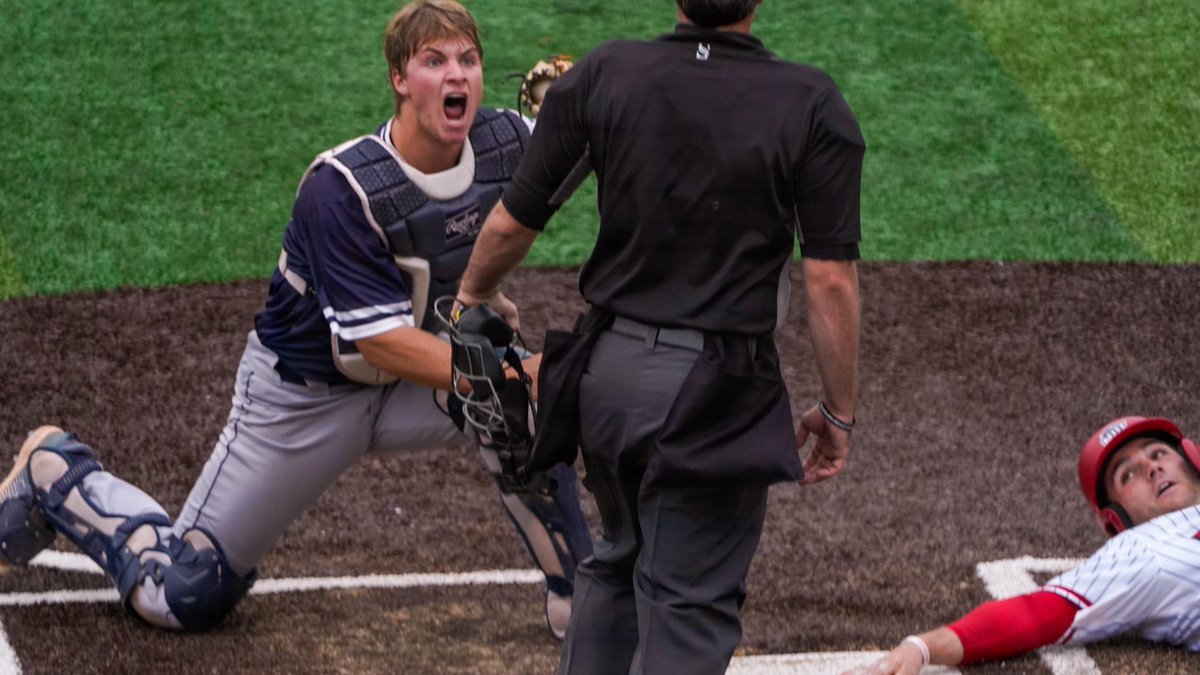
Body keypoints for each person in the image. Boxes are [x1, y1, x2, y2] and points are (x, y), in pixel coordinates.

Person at [0, 0, 590, 639]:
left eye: (469, 60)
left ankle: (583, 603)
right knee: (185, 594)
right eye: (434, 61)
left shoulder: (503, 142)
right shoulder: (343, 189)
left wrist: (598, 103)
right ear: (399, 78)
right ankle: (55, 471)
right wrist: (510, 371)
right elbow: (380, 342)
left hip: (414, 384)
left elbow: (576, 146)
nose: (457, 76)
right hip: (303, 401)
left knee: (530, 408)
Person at [455, 1, 865, 672]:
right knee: (687, 603)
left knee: (616, 562)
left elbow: (512, 223)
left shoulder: (606, 72)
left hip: (605, 377)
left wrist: (471, 296)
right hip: (713, 396)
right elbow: (829, 281)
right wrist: (840, 409)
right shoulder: (810, 100)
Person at [843, 416, 1200, 675]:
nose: (1151, 468)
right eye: (1128, 474)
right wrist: (920, 648)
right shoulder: (1143, 552)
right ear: (1116, 519)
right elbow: (1036, 613)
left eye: (1158, 454)